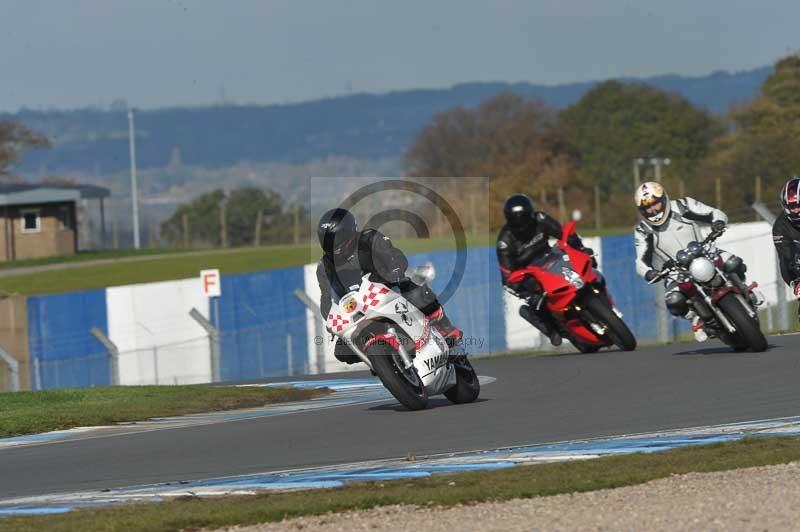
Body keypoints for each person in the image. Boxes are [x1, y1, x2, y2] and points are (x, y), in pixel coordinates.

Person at [316, 208, 462, 364]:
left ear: (350, 231)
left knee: (415, 293)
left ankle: (445, 327)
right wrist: (330, 318)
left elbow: (394, 256)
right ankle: (383, 364)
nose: (333, 244)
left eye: (337, 238)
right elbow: (326, 298)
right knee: (342, 351)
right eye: (328, 240)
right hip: (357, 309)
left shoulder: (369, 238)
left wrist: (395, 273)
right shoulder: (324, 267)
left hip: (387, 289)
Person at [634, 181, 751, 341]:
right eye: (647, 207)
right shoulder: (642, 231)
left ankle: (745, 290)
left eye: (655, 204)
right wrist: (649, 272)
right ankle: (695, 317)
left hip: (706, 252)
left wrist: (717, 223)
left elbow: (714, 213)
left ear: (664, 199)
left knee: (733, 263)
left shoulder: (683, 205)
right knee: (673, 301)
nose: (653, 209)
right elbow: (640, 261)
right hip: (676, 271)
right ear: (642, 211)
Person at [496, 193, 592, 346]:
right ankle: (551, 330)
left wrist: (580, 248)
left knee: (585, 268)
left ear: (530, 214)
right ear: (510, 220)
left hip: (552, 256)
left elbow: (563, 234)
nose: (522, 223)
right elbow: (507, 277)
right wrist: (526, 293)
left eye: (525, 217)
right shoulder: (504, 242)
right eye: (517, 219)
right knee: (538, 301)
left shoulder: (539, 219)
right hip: (530, 273)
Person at [772, 177, 800, 318]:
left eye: (798, 205)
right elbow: (786, 255)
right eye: (792, 206)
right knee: (789, 259)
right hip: (796, 266)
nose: (795, 210)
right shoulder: (780, 227)